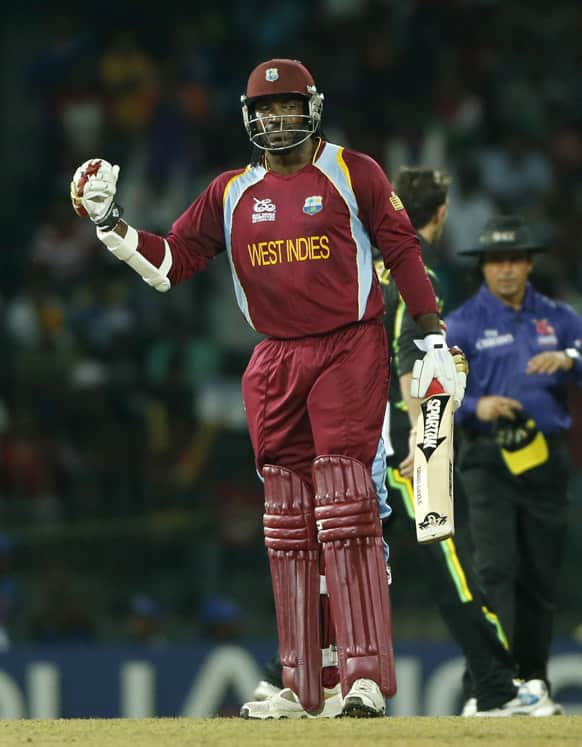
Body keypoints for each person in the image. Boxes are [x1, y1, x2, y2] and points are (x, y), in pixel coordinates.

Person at [70, 58, 464, 719]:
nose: (278, 118)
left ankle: (363, 675)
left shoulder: (352, 171)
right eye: (266, 108)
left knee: (345, 499)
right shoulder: (230, 192)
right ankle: (304, 682)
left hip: (349, 343)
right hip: (275, 357)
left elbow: (401, 249)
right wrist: (112, 227)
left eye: (288, 105)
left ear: (311, 107)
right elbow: (169, 264)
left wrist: (429, 333)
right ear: (251, 118)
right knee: (288, 518)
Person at [380, 169, 560, 717]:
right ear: (441, 213)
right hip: (412, 440)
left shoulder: (369, 265)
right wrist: (422, 433)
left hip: (363, 437)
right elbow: (411, 356)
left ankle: (283, 677)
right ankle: (498, 689)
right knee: (450, 562)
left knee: (350, 560)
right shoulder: (420, 270)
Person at [445, 215, 582, 714]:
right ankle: (488, 685)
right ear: (483, 267)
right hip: (487, 460)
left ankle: (534, 683)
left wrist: (570, 360)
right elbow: (435, 390)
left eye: (514, 260)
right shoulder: (461, 324)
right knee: (495, 572)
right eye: (496, 261)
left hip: (545, 459)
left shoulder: (558, 318)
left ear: (528, 264)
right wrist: (474, 407)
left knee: (540, 578)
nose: (505, 270)